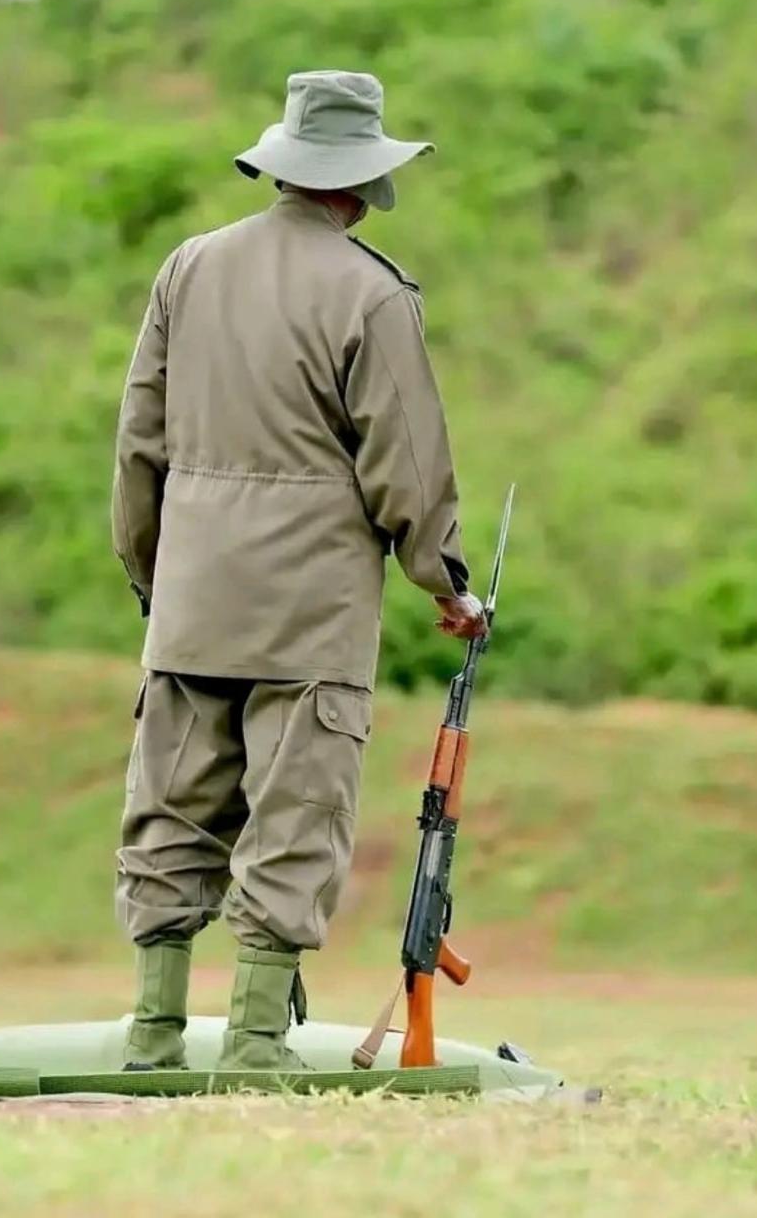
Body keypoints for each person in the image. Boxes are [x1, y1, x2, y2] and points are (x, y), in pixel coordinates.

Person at [111, 70, 487, 1071]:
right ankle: (253, 1042)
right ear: (362, 179)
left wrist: (154, 577)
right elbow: (406, 465)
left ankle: (151, 1035)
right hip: (309, 613)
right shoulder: (372, 291)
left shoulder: (187, 267)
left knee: (170, 810)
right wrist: (445, 582)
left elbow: (139, 442)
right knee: (295, 817)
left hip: (191, 600)